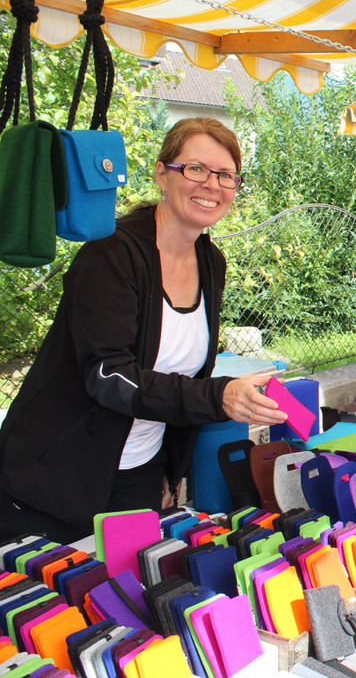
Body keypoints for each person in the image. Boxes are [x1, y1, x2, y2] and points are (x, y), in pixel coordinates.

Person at [0, 118, 287, 543]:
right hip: (57, 476)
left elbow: (188, 374)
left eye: (225, 174)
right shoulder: (111, 254)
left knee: (133, 582)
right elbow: (109, 375)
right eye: (196, 168)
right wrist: (218, 397)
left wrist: (170, 468)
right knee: (57, 586)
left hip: (140, 472)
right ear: (162, 174)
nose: (212, 184)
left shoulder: (211, 262)